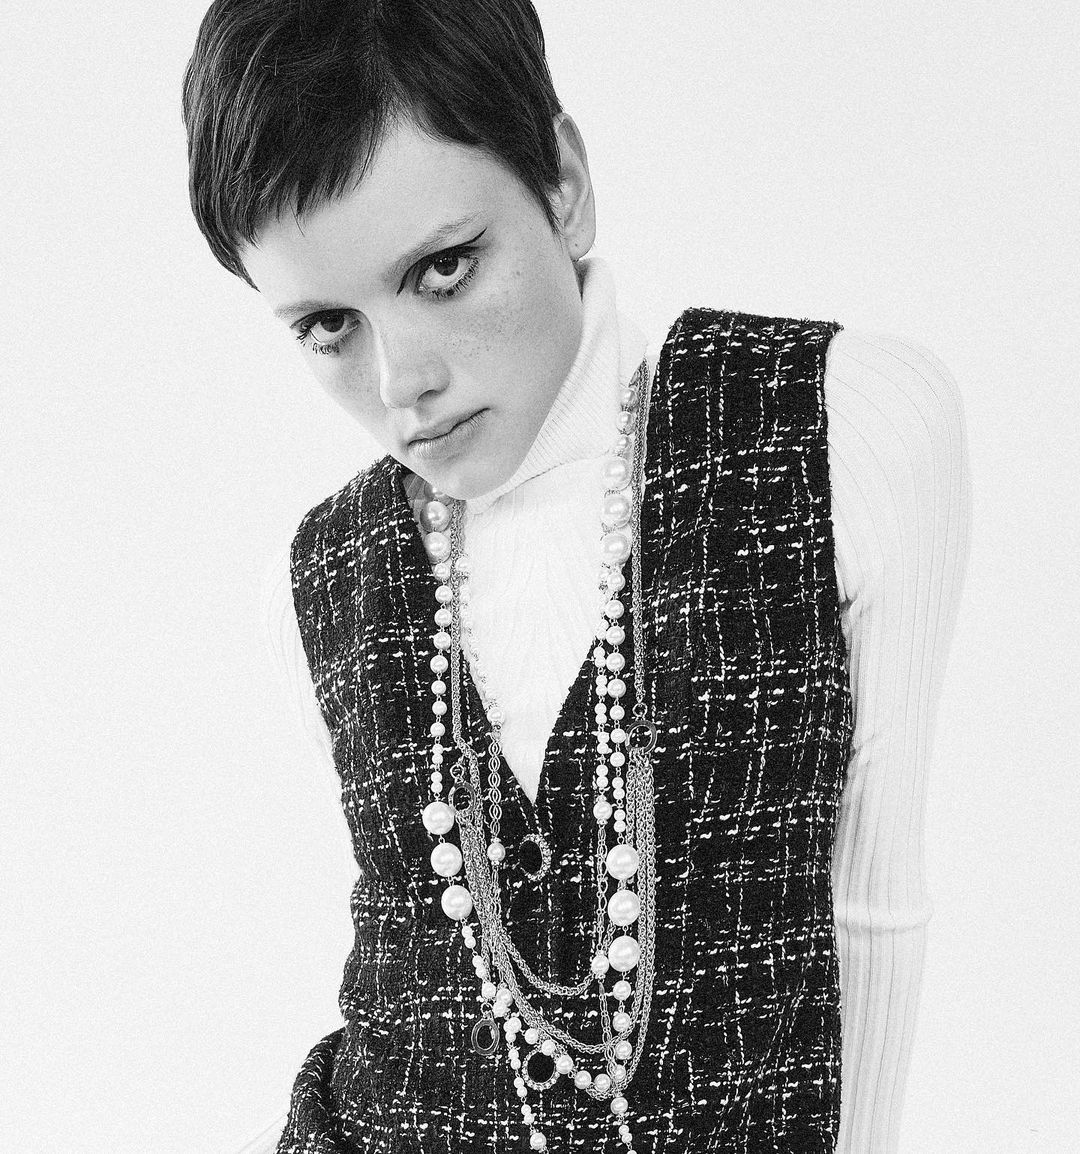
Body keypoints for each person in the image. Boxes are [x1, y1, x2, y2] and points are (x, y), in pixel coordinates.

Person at [182, 2, 972, 1151]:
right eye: (326, 325)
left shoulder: (838, 427)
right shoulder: (318, 583)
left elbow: (874, 915)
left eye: (442, 268)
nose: (402, 380)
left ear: (564, 182)